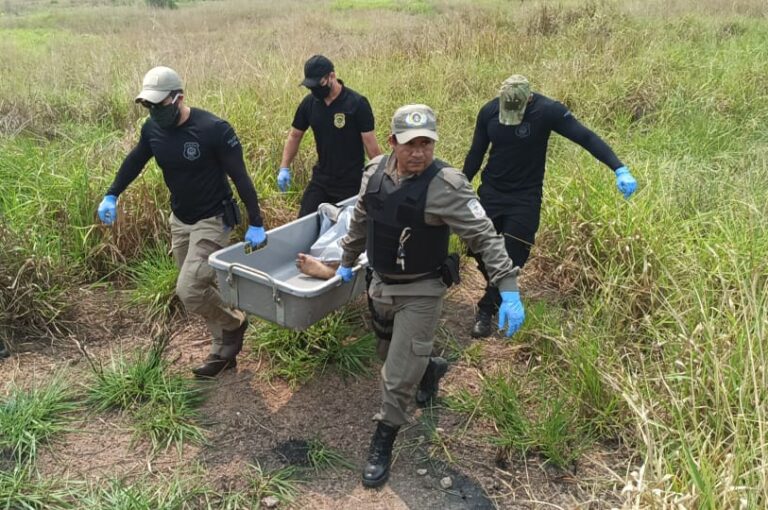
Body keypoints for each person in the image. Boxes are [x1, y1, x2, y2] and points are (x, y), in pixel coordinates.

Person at [335, 104, 526, 488]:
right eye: (410, 144)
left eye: (427, 143)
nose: (419, 152)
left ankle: (384, 438)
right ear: (392, 143)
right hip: (380, 284)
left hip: (422, 289)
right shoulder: (374, 174)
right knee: (388, 354)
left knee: (395, 377)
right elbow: (361, 218)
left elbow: (485, 236)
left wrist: (507, 287)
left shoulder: (447, 186)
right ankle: (431, 369)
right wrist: (346, 260)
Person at [97, 66, 267, 378]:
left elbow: (240, 177)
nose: (153, 112)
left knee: (189, 289)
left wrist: (256, 221)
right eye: (149, 105)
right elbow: (136, 159)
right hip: (181, 219)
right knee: (196, 287)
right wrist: (112, 194)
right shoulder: (152, 130)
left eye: (159, 105)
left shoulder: (214, 129)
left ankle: (235, 323)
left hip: (213, 219)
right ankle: (222, 351)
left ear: (178, 98)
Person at [463, 75, 638, 338]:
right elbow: (476, 153)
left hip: (525, 196)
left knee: (514, 253)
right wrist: (460, 188)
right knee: (478, 248)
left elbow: (585, 137)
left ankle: (487, 309)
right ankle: (498, 285)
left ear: (528, 100)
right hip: (491, 192)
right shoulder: (489, 111)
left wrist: (619, 168)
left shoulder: (548, 111)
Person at [277, 54, 382, 217]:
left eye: (318, 84)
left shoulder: (356, 104)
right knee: (303, 223)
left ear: (331, 76)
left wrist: (380, 179)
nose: (314, 90)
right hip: (322, 179)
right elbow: (295, 136)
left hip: (351, 183)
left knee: (344, 230)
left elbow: (372, 147)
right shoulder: (309, 103)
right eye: (310, 86)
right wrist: (284, 167)